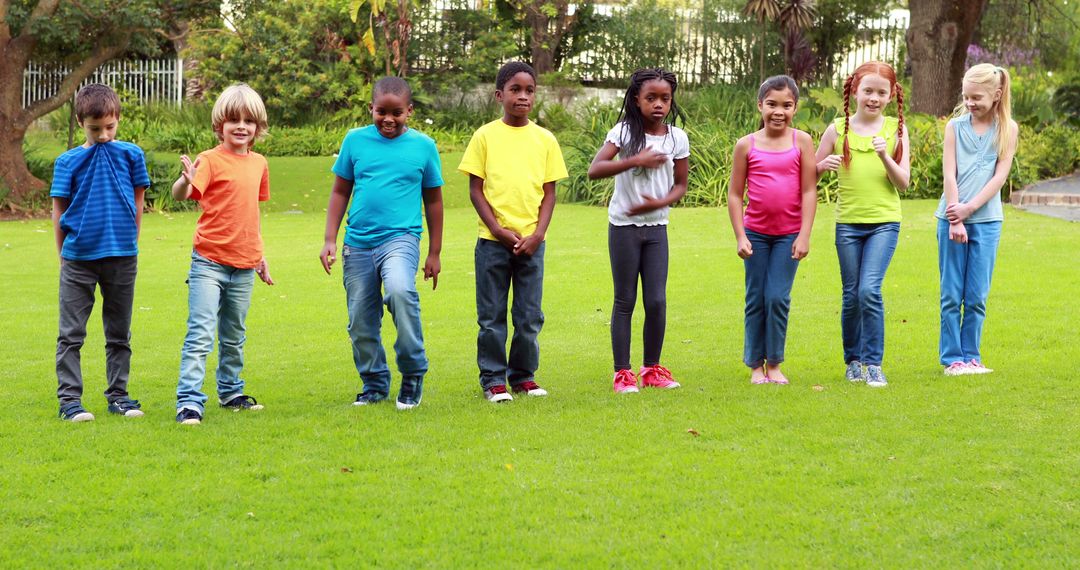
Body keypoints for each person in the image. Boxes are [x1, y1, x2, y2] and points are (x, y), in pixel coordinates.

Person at [319, 77, 444, 409]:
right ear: (371, 109)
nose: (388, 119)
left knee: (401, 291)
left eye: (397, 113)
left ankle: (413, 372)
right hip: (357, 243)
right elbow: (340, 191)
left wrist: (434, 252)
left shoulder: (424, 147)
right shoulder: (355, 141)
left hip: (401, 239)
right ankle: (374, 383)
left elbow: (433, 201)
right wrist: (330, 239)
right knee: (360, 318)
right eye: (381, 112)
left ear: (410, 112)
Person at [458, 61, 568, 403]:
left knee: (529, 315)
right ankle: (493, 379)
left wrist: (537, 235)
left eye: (529, 90)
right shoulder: (485, 136)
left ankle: (522, 377)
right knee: (491, 316)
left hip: (533, 245)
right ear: (499, 95)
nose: (523, 96)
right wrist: (496, 228)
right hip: (493, 242)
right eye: (515, 90)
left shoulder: (545, 139)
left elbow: (550, 193)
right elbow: (476, 189)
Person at [172, 84, 274, 425]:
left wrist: (259, 255)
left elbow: (250, 214)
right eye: (233, 120)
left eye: (248, 120)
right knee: (200, 333)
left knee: (234, 335)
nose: (241, 126)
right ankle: (189, 402)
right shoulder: (210, 160)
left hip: (244, 266)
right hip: (209, 263)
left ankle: (231, 393)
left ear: (258, 128)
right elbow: (180, 195)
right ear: (220, 125)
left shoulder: (259, 163)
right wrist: (186, 181)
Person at [51, 83, 149, 422]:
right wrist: (62, 254)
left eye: (109, 127)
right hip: (79, 259)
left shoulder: (132, 155)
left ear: (118, 119)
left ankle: (119, 396)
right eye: (95, 129)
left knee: (120, 334)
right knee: (71, 334)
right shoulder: (67, 162)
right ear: (81, 123)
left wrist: (131, 241)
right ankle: (70, 402)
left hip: (122, 257)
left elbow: (138, 201)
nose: (104, 135)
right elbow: (59, 209)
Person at [587, 68, 689, 394]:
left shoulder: (677, 138)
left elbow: (681, 185)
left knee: (657, 301)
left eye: (665, 98)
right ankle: (623, 373)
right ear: (636, 99)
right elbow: (595, 169)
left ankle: (652, 369)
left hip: (657, 227)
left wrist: (657, 203)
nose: (658, 104)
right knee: (625, 299)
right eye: (651, 98)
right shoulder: (623, 133)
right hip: (624, 228)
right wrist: (635, 161)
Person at [815, 61, 910, 388]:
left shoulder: (896, 129)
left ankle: (873, 363)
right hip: (848, 225)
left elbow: (904, 183)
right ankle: (852, 361)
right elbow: (808, 175)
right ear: (855, 90)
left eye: (881, 92)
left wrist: (885, 156)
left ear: (891, 95)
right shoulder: (837, 129)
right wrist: (821, 166)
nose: (874, 97)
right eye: (868, 90)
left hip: (884, 223)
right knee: (851, 295)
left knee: (870, 289)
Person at [727, 75, 818, 385]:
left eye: (787, 105)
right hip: (755, 235)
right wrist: (740, 235)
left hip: (789, 235)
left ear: (795, 108)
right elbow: (735, 194)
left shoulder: (802, 141)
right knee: (756, 297)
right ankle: (755, 365)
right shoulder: (746, 145)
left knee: (777, 297)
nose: (779, 111)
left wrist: (804, 234)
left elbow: (809, 190)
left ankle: (775, 363)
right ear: (760, 106)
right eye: (772, 104)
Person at [936, 63, 1018, 376]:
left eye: (977, 97)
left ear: (997, 95)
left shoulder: (1008, 129)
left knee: (976, 295)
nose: (970, 103)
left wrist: (971, 209)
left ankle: (972, 357)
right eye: (966, 96)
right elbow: (949, 173)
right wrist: (956, 215)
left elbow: (1000, 176)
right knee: (951, 293)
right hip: (951, 219)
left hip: (987, 221)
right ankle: (952, 359)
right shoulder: (955, 128)